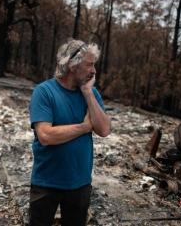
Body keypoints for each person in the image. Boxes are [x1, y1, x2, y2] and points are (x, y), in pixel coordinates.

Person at [29, 39, 111, 226]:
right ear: (73, 66)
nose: (94, 71)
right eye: (89, 64)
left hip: (80, 183)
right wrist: (83, 127)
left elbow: (104, 129)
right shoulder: (44, 92)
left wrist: (88, 93)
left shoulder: (91, 93)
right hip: (46, 182)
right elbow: (46, 136)